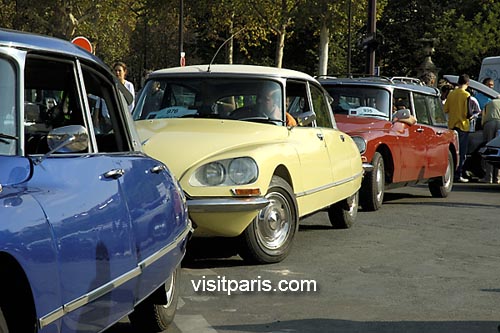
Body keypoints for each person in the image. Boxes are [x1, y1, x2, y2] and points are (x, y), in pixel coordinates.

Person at [444, 74, 472, 183]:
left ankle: (452, 172)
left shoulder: (451, 94)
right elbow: (467, 113)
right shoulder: (466, 95)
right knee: (462, 152)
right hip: (463, 125)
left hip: (452, 125)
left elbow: (446, 109)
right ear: (467, 83)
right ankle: (458, 174)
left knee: (453, 151)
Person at [480, 95, 500, 183]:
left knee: (489, 151)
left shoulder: (489, 103)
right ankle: (497, 177)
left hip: (489, 124)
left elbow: (483, 117)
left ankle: (488, 177)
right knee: (498, 151)